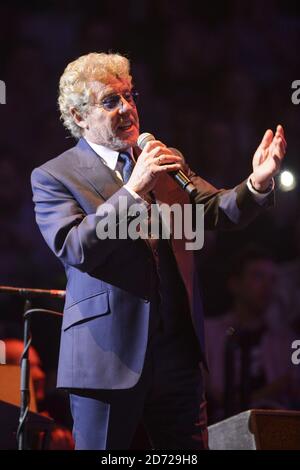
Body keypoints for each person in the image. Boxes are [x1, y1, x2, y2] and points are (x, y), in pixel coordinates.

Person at [31, 52, 286, 450]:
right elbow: (74, 246)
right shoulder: (54, 176)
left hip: (178, 356)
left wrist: (256, 182)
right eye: (110, 101)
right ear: (79, 117)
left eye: (130, 96)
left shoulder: (160, 159)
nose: (127, 108)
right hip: (107, 356)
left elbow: (216, 210)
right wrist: (133, 190)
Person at [204, 247, 296, 423]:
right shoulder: (209, 333)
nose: (267, 286)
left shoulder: (287, 340)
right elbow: (217, 394)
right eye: (258, 276)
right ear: (235, 284)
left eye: (273, 279)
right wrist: (275, 388)